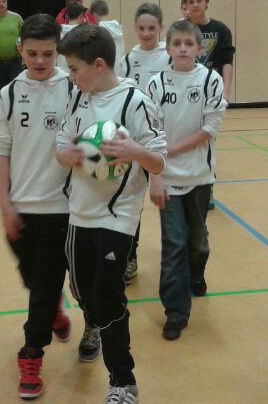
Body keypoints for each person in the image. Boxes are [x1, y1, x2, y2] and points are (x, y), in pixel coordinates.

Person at [56, 23, 167, 404]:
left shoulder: (134, 101)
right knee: (81, 290)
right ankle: (94, 322)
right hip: (78, 213)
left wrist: (135, 152)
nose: (71, 76)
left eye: (74, 69)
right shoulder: (77, 96)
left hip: (117, 217)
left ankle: (123, 380)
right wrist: (69, 154)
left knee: (108, 295)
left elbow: (159, 161)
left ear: (99, 64)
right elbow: (60, 147)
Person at [0, 13, 73, 400]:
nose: (40, 61)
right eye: (33, 53)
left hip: (60, 208)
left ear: (59, 52)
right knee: (34, 278)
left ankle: (31, 355)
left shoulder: (73, 89)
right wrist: (5, 205)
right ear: (20, 49)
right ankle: (53, 307)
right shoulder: (8, 94)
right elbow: (1, 152)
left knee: (41, 286)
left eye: (49, 54)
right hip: (20, 207)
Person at [147, 20, 226, 341]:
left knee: (197, 241)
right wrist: (155, 173)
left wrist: (172, 149)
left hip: (199, 176)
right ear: (167, 48)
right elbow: (150, 131)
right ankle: (175, 311)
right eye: (176, 43)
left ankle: (197, 272)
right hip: (167, 177)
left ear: (199, 48)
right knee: (174, 243)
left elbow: (210, 129)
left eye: (188, 44)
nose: (182, 49)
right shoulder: (155, 84)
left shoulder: (210, 80)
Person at [116, 2, 171, 284]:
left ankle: (175, 256)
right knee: (132, 201)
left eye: (152, 28)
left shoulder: (170, 56)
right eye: (141, 28)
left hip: (163, 142)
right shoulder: (128, 60)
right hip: (136, 142)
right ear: (134, 29)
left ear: (161, 27)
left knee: (169, 203)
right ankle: (130, 256)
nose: (147, 33)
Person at [184, 0, 234, 214]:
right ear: (185, 5)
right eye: (191, 1)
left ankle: (207, 186)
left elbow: (227, 61)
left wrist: (226, 90)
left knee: (207, 139)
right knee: (187, 136)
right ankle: (185, 185)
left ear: (206, 3)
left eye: (199, 0)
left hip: (211, 92)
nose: (195, 5)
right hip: (187, 92)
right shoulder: (182, 29)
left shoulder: (220, 29)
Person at [56, 0, 87, 73]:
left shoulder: (57, 33)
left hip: (62, 74)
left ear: (67, 16)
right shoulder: (84, 34)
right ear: (82, 15)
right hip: (78, 74)